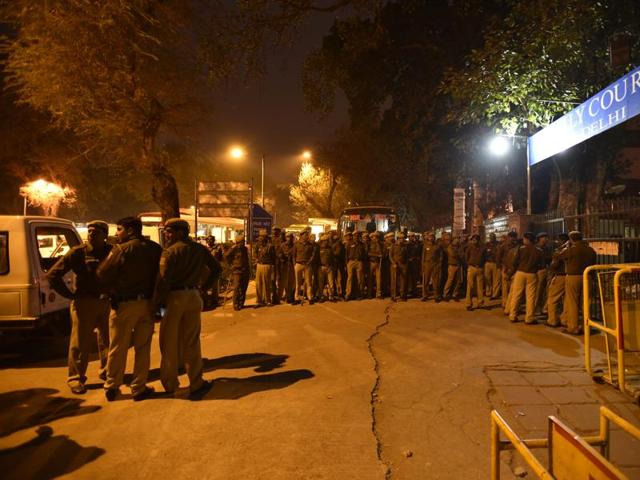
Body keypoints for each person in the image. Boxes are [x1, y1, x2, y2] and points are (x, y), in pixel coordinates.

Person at [97, 217, 162, 401]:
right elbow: (162, 276)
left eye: (119, 229)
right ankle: (139, 387)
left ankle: (112, 385)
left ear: (131, 230)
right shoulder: (155, 249)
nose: (116, 234)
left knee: (118, 347)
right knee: (143, 348)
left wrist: (110, 290)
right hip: (147, 305)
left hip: (123, 305)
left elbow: (102, 273)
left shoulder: (120, 250)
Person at [153, 218, 218, 398]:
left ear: (180, 232)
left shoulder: (170, 252)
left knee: (168, 341)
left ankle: (170, 384)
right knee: (192, 341)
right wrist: (203, 288)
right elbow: (216, 269)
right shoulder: (199, 249)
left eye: (169, 231)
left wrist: (157, 306)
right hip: (193, 297)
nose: (166, 235)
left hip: (173, 299)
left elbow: (164, 280)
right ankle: (196, 382)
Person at [47, 220, 112, 395]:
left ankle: (107, 372)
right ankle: (75, 378)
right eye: (90, 231)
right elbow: (53, 274)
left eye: (96, 232)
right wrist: (70, 295)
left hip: (106, 302)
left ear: (105, 235)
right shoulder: (78, 252)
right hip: (84, 303)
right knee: (80, 343)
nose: (91, 234)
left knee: (108, 341)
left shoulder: (111, 251)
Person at [557, 231, 597, 335]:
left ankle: (573, 326)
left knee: (572, 302)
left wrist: (564, 246)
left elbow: (558, 256)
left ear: (571, 239)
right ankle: (586, 326)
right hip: (588, 276)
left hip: (573, 277)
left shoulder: (572, 249)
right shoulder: (590, 250)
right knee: (586, 302)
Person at [508, 232, 544, 324]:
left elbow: (515, 262)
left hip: (520, 272)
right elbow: (542, 264)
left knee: (516, 294)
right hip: (532, 274)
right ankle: (529, 317)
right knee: (531, 296)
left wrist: (511, 272)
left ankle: (513, 315)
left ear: (527, 240)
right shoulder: (539, 251)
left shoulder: (521, 249)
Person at [546, 233, 570, 328]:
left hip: (560, 276)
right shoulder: (571, 249)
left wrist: (551, 266)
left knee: (553, 298)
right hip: (569, 276)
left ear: (561, 240)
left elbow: (554, 265)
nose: (557, 242)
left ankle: (552, 320)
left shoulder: (560, 251)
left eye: (558, 240)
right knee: (567, 300)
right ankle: (565, 319)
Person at [225, 234, 250, 311]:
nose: (243, 243)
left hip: (245, 270)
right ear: (238, 242)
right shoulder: (234, 249)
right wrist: (231, 265)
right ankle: (235, 304)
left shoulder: (245, 249)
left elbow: (246, 259)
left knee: (244, 287)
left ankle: (241, 303)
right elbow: (226, 256)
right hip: (237, 270)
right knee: (236, 287)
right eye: (242, 241)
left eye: (243, 241)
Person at [253, 229, 276, 307]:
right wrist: (256, 259)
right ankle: (259, 301)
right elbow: (254, 254)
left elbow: (273, 257)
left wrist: (272, 267)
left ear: (266, 237)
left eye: (263, 236)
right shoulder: (257, 245)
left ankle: (268, 300)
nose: (261, 238)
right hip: (259, 265)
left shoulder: (270, 246)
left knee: (267, 284)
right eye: (260, 236)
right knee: (258, 284)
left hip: (267, 265)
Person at [499, 232, 520, 313]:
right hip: (505, 267)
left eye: (514, 237)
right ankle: (504, 303)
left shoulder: (517, 246)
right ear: (508, 237)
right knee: (505, 287)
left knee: (512, 288)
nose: (513, 239)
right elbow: (499, 256)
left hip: (514, 269)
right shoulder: (503, 246)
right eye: (511, 237)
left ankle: (510, 304)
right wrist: (501, 267)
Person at [294, 229, 316, 303]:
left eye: (307, 235)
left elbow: (313, 254)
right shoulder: (297, 244)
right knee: (298, 283)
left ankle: (310, 297)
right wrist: (295, 263)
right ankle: (296, 298)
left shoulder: (310, 245)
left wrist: (310, 261)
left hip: (307, 265)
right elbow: (294, 254)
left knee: (308, 282)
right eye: (305, 235)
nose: (306, 236)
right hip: (298, 264)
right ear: (301, 236)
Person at [465, 234, 486, 311]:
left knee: (480, 287)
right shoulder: (469, 248)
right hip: (472, 267)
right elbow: (466, 257)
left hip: (479, 268)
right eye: (473, 239)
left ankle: (480, 303)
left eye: (476, 239)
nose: (475, 241)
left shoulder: (482, 248)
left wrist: (481, 265)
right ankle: (468, 304)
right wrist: (470, 264)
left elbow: (484, 258)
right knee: (470, 286)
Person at [421, 231, 443, 302]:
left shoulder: (437, 246)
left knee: (435, 281)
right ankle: (425, 295)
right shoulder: (425, 245)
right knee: (426, 281)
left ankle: (436, 296)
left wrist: (439, 264)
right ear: (428, 238)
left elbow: (441, 256)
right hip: (427, 264)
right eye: (430, 237)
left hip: (435, 265)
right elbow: (423, 256)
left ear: (434, 238)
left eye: (432, 237)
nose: (431, 238)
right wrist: (423, 266)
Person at [534, 232, 551, 316]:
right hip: (539, 270)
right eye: (544, 237)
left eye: (546, 237)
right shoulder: (536, 248)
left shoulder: (547, 248)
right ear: (539, 238)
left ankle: (544, 308)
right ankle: (536, 308)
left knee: (547, 291)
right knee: (538, 290)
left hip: (546, 269)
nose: (546, 239)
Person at [345, 231, 366, 300]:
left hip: (359, 261)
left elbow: (364, 253)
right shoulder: (349, 243)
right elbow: (346, 254)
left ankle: (359, 294)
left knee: (360, 278)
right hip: (351, 261)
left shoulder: (362, 244)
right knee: (350, 278)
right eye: (355, 235)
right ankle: (348, 294)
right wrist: (347, 263)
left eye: (358, 235)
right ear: (353, 236)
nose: (356, 237)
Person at [443, 235, 463, 302]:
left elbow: (462, 255)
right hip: (452, 265)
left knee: (458, 281)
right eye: (456, 239)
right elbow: (453, 254)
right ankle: (445, 294)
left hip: (458, 265)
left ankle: (455, 294)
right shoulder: (450, 247)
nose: (457, 240)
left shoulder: (459, 247)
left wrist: (459, 254)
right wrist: (459, 254)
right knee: (450, 280)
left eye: (458, 239)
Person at [278, 232, 296, 304]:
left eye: (290, 237)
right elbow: (279, 254)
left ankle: (289, 297)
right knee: (283, 281)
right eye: (287, 237)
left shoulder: (294, 245)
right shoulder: (282, 245)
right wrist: (282, 258)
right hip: (284, 265)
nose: (289, 239)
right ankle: (282, 296)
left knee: (291, 282)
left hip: (291, 265)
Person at [317, 234, 336, 301]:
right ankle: (320, 296)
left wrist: (332, 265)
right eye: (325, 240)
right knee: (321, 283)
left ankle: (331, 296)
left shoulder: (330, 248)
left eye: (327, 240)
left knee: (331, 283)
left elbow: (332, 257)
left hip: (329, 267)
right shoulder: (318, 248)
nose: (326, 242)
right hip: (321, 267)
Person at [390, 232, 408, 301]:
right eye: (401, 238)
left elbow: (406, 255)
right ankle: (393, 295)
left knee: (403, 281)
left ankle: (402, 295)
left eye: (403, 238)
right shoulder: (393, 246)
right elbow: (390, 256)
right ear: (398, 239)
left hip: (403, 265)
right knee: (394, 281)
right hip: (395, 265)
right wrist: (393, 263)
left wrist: (406, 264)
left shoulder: (404, 246)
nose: (402, 240)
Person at [367, 232, 384, 299]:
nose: (375, 238)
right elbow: (368, 253)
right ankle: (369, 293)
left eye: (377, 237)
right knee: (370, 279)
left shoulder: (380, 244)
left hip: (378, 263)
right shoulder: (369, 244)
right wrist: (377, 255)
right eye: (374, 237)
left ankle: (378, 294)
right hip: (371, 262)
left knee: (378, 279)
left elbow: (382, 252)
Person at [484, 233, 500, 299]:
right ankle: (488, 292)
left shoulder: (498, 244)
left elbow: (498, 253)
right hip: (488, 263)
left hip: (495, 263)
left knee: (496, 280)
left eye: (493, 237)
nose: (492, 238)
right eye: (491, 237)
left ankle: (495, 294)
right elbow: (484, 253)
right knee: (487, 279)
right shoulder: (487, 244)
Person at [331, 231, 347, 299]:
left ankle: (340, 292)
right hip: (335, 263)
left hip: (339, 262)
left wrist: (332, 254)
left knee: (339, 278)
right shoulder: (334, 243)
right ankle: (336, 292)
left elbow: (338, 253)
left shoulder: (339, 244)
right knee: (334, 278)